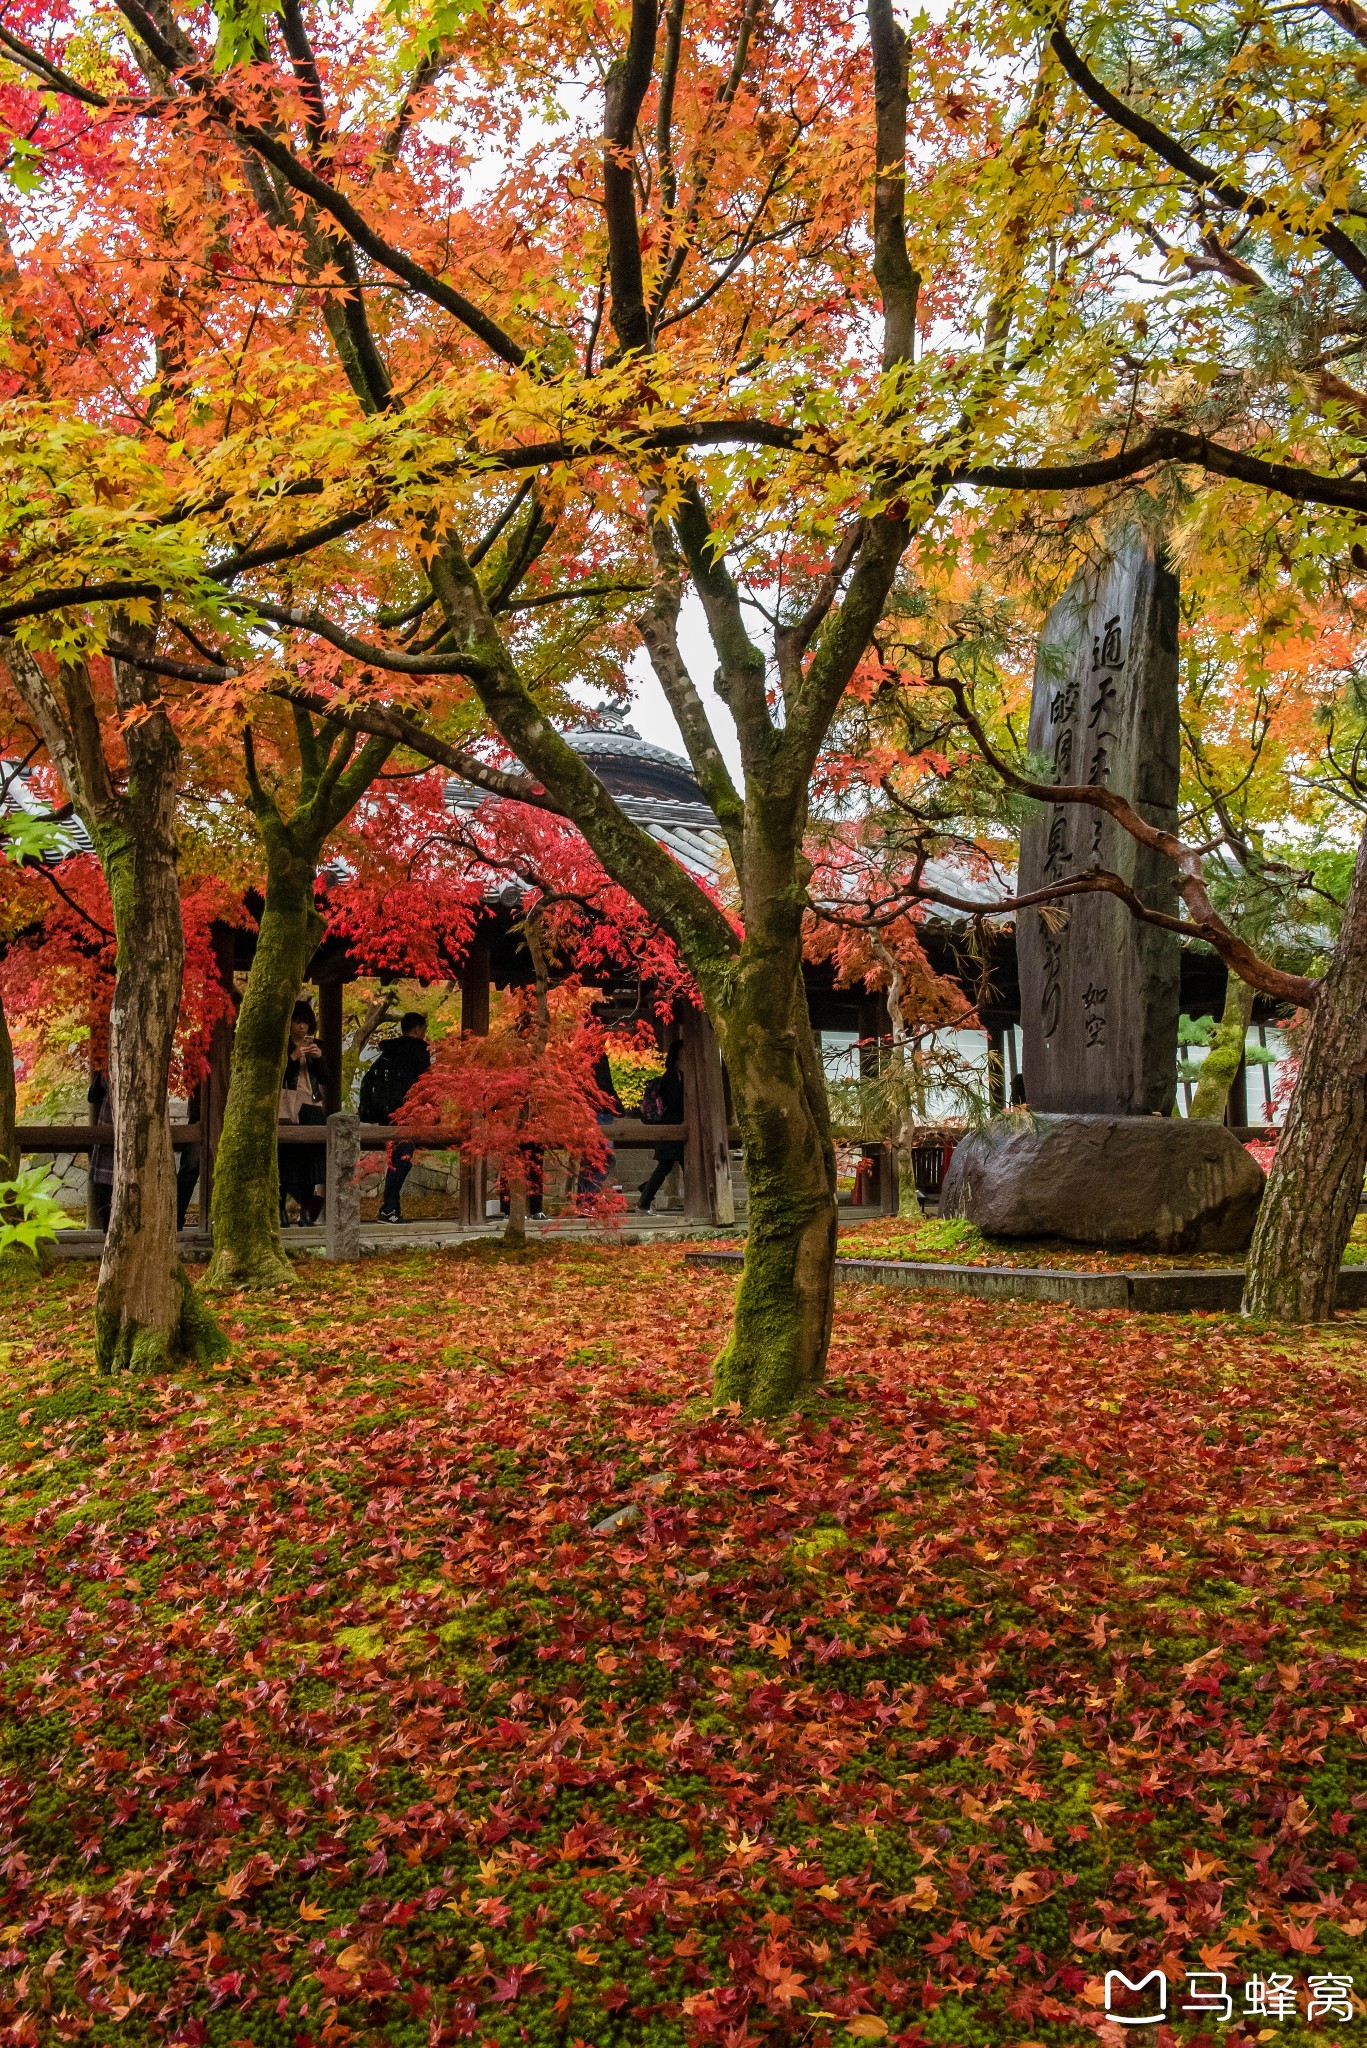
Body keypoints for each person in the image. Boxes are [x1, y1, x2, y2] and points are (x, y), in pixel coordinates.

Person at [359, 1012, 431, 1223]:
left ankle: (393, 1210)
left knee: (395, 1159)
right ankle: (388, 1209)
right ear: (417, 1029)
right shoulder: (418, 1050)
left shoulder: (389, 1051)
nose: (424, 1033)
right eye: (423, 1028)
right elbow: (425, 1082)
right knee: (402, 1159)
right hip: (408, 1112)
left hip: (386, 1111)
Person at [279, 1001, 328, 1225]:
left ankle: (307, 1210)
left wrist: (317, 1058)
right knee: (287, 1160)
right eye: (298, 1021)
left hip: (312, 1106)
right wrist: (293, 1055)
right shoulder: (282, 1046)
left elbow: (327, 1078)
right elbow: (278, 1076)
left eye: (306, 1022)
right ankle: (281, 1210)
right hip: (288, 1108)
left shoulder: (317, 1046)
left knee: (313, 1160)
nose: (302, 1026)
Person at [637, 1039, 684, 1213]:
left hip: (675, 1127)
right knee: (666, 1166)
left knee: (667, 1166)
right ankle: (644, 1199)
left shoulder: (679, 1074)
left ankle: (645, 1194)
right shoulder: (672, 1076)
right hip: (672, 1127)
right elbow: (674, 1102)